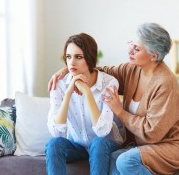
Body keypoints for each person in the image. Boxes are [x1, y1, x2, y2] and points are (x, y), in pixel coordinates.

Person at [48, 23, 179, 174]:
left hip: (172, 144)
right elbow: (97, 71)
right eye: (131, 45)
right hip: (144, 145)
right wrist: (68, 69)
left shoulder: (165, 83)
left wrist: (119, 111)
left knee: (125, 161)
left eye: (137, 49)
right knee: (112, 163)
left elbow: (152, 133)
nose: (130, 51)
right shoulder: (132, 69)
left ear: (154, 55)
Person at [45, 33, 123, 175]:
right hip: (77, 145)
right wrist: (68, 94)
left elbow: (103, 131)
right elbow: (56, 132)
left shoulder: (109, 83)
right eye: (68, 57)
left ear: (89, 57)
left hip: (105, 143)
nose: (71, 63)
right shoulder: (59, 84)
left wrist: (87, 92)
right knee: (54, 144)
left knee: (98, 143)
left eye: (78, 57)